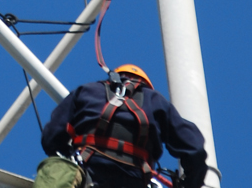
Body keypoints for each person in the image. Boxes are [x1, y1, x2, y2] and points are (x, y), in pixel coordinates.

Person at [40, 64, 208, 188]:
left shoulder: (87, 91)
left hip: (87, 170)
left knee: (57, 169)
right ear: (145, 86)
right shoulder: (157, 102)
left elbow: (52, 135)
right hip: (134, 180)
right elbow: (194, 149)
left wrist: (68, 153)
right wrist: (191, 184)